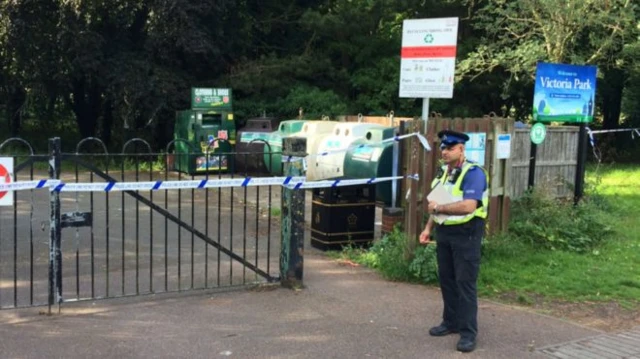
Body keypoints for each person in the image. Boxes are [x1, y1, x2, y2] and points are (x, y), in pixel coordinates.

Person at [419, 129, 489, 353]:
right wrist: (428, 228)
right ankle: (450, 322)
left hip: (467, 233)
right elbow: (436, 202)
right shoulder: (443, 172)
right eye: (443, 148)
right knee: (447, 280)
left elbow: (469, 205)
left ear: (461, 149)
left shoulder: (474, 173)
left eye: (450, 148)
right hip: (444, 232)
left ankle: (468, 333)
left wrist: (439, 208)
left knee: (465, 283)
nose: (445, 152)